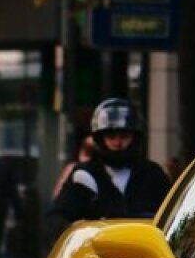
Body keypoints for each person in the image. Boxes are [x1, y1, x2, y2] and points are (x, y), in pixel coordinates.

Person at [45, 98, 170, 248]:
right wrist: (78, 231)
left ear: (135, 137)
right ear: (100, 139)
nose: (118, 143)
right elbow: (55, 218)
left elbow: (172, 218)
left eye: (124, 136)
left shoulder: (153, 174)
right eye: (111, 136)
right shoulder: (84, 175)